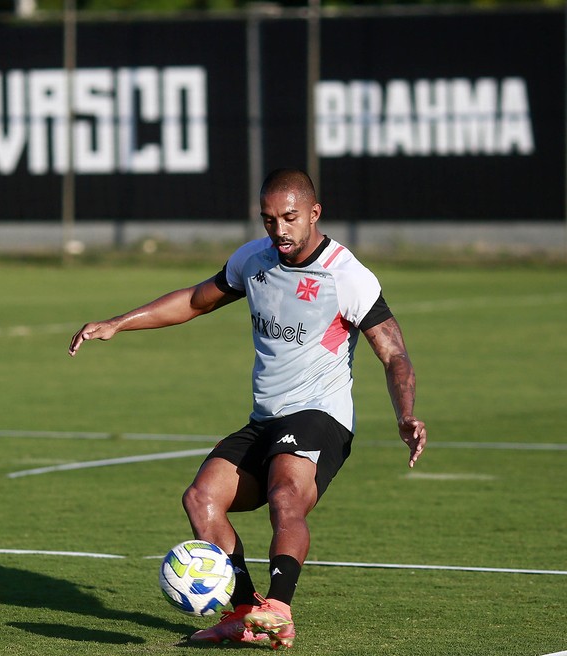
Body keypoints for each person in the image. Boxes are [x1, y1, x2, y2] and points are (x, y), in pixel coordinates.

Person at [68, 168, 427, 649]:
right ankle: (243, 613)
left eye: (290, 218)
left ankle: (278, 609)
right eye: (268, 219)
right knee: (201, 498)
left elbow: (394, 352)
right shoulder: (253, 260)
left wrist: (405, 413)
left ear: (314, 213)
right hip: (265, 419)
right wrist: (119, 322)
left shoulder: (346, 275)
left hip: (320, 416)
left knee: (285, 494)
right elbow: (195, 300)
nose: (279, 230)